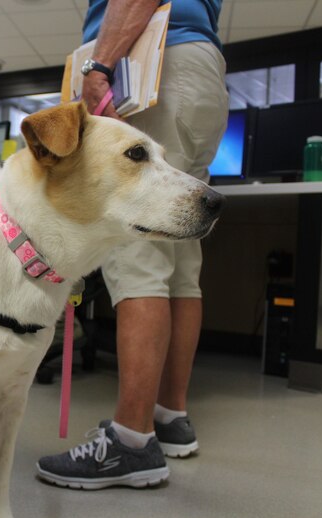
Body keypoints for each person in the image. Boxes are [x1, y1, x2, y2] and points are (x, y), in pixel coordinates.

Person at [37, 0, 229, 489]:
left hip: (153, 63)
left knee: (138, 253)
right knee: (180, 255)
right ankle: (169, 416)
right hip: (200, 69)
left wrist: (99, 64)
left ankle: (130, 441)